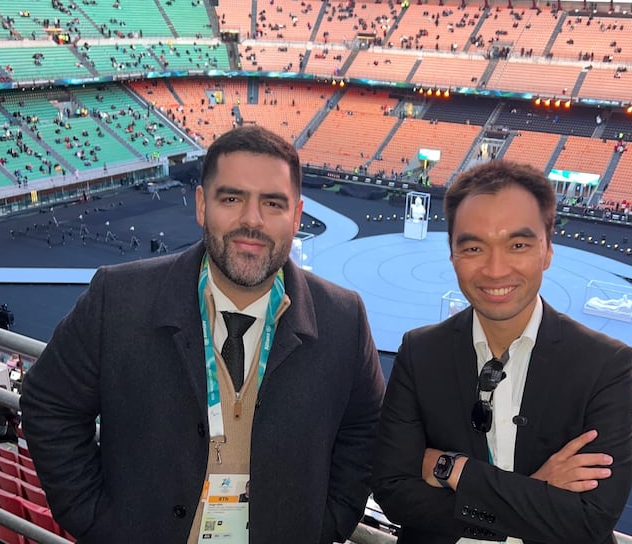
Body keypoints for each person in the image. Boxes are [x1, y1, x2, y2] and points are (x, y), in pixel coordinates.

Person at [20, 125, 385, 543]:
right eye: (232, 198)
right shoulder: (118, 298)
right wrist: (95, 520)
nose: (252, 220)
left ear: (298, 216)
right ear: (201, 205)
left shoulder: (344, 319)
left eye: (273, 203)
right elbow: (49, 403)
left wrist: (325, 524)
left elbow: (366, 433)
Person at [371, 160, 632, 544]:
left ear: (547, 250)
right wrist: (533, 492)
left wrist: (454, 470)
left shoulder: (605, 364)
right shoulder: (420, 352)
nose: (495, 270)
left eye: (517, 245)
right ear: (452, 256)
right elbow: (394, 493)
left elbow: (589, 519)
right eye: (474, 247)